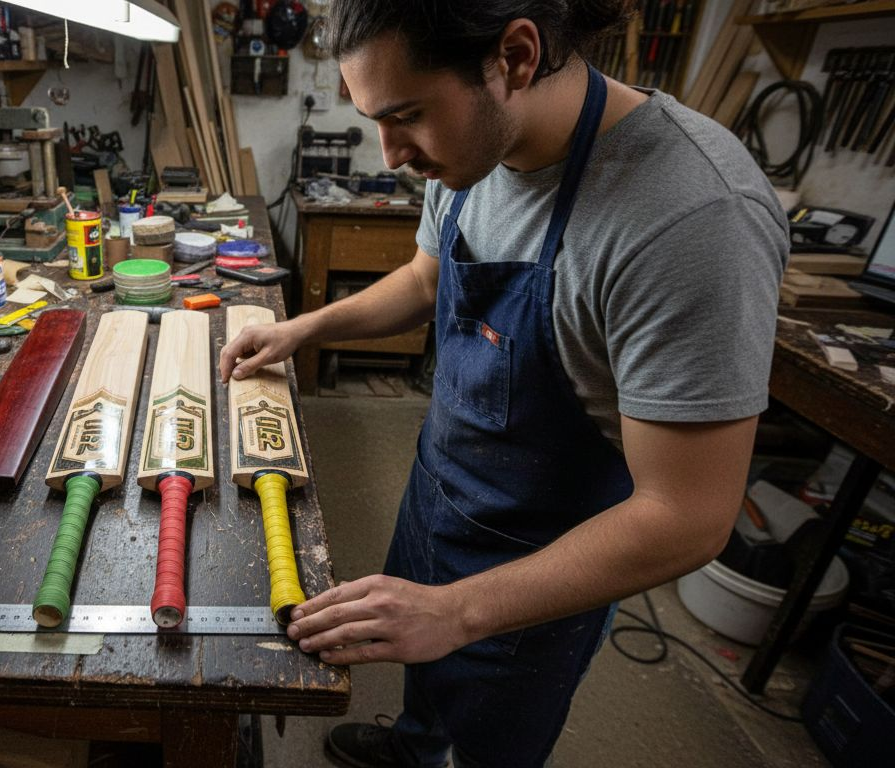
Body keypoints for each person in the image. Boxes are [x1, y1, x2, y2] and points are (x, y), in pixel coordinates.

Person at [218, 1, 788, 766]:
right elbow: (425, 277)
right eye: (374, 120)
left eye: (409, 116)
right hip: (441, 490)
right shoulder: (469, 151)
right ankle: (414, 746)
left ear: (516, 58)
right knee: (428, 681)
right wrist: (304, 329)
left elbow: (687, 513)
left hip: (543, 553)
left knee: (490, 733)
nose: (390, 155)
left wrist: (458, 611)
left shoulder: (691, 216)